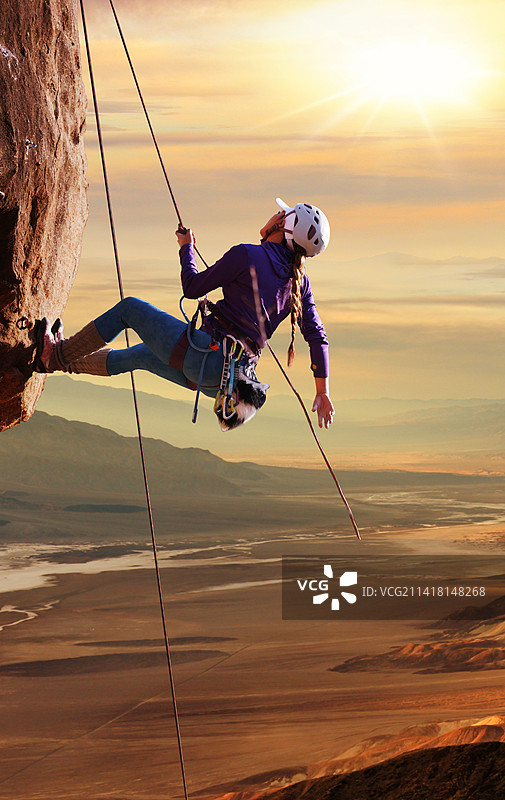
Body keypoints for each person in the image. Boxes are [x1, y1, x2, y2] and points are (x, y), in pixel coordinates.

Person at [35, 198, 334, 431]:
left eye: (279, 214)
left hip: (204, 355)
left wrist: (186, 249)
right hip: (222, 382)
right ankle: (64, 362)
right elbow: (317, 337)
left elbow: (192, 287)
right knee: (138, 356)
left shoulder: (247, 254)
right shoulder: (299, 283)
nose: (273, 216)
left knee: (130, 309)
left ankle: (56, 354)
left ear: (283, 225)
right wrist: (323, 392)